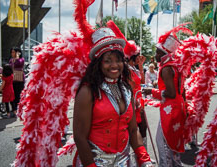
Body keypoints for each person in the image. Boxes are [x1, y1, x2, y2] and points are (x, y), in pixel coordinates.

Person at [73, 27, 153, 167]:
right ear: (98, 64)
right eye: (108, 60)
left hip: (124, 162)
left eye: (118, 60)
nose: (114, 65)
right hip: (94, 162)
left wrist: (144, 159)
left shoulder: (127, 90)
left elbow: (133, 130)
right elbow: (80, 138)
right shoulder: (88, 91)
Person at [142, 34, 186, 166]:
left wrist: (152, 92)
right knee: (173, 143)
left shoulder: (166, 68)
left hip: (170, 110)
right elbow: (180, 91)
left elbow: (171, 93)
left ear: (164, 53)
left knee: (163, 143)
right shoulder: (175, 66)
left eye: (157, 52)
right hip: (177, 108)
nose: (155, 55)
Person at [126, 44, 148, 148]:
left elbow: (142, 81)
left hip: (139, 102)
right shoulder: (126, 69)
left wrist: (140, 66)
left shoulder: (134, 68)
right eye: (138, 56)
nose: (140, 58)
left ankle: (144, 153)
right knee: (135, 130)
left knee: (143, 127)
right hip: (132, 104)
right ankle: (138, 156)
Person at [9, 47, 25, 112]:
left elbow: (19, 63)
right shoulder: (11, 60)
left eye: (13, 52)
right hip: (12, 78)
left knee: (18, 93)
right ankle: (14, 108)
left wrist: (17, 57)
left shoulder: (21, 59)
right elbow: (11, 66)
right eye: (11, 52)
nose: (12, 53)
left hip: (19, 78)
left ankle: (18, 108)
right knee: (13, 94)